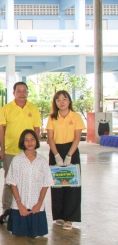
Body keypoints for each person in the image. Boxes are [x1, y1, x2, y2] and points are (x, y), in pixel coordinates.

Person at [0, 82, 42, 224]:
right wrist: (2, 149)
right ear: (14, 93)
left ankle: (27, 208)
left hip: (29, 151)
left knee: (29, 180)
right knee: (9, 182)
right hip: (11, 150)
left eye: (24, 91)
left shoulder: (33, 108)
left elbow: (37, 129)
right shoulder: (6, 109)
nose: (22, 93)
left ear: (28, 93)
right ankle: (7, 210)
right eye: (19, 90)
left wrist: (34, 147)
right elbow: (1, 129)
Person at [46, 90, 85, 230]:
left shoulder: (76, 117)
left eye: (64, 99)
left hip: (71, 151)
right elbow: (50, 138)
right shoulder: (52, 117)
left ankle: (70, 218)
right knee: (57, 184)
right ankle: (60, 216)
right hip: (55, 150)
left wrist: (69, 155)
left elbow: (77, 137)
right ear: (55, 103)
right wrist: (56, 155)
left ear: (69, 101)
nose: (61, 102)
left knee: (72, 185)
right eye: (58, 100)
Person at [6, 130, 54, 237]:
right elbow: (12, 183)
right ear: (22, 142)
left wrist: (39, 204)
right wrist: (20, 205)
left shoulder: (42, 160)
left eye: (32, 139)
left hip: (36, 206)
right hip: (20, 206)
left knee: (35, 235)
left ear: (36, 141)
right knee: (19, 237)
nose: (30, 142)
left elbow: (46, 184)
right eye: (26, 140)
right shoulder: (17, 160)